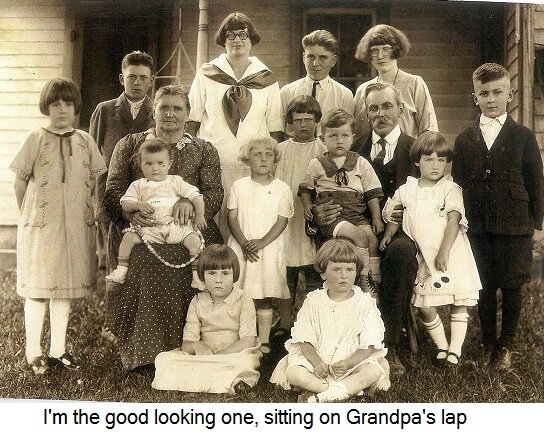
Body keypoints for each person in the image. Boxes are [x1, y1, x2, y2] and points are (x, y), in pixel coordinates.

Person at [104, 84, 223, 370]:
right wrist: (131, 213)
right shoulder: (129, 145)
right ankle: (143, 351)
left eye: (177, 108)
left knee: (198, 252)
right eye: (163, 107)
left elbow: (214, 192)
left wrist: (188, 202)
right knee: (141, 259)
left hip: (187, 228)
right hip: (144, 227)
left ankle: (195, 343)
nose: (170, 114)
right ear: (153, 111)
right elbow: (112, 191)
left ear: (188, 113)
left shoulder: (204, 150)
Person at [319, 82, 419, 376]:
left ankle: (390, 342)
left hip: (403, 228)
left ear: (400, 109)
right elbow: (322, 190)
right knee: (341, 251)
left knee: (401, 252)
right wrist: (318, 215)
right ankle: (343, 338)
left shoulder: (416, 149)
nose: (380, 114)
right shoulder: (350, 147)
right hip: (356, 226)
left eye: (387, 106)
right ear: (365, 112)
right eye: (373, 108)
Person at [9, 78, 106, 374]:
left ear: (76, 106)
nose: (62, 109)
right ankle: (33, 352)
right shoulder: (36, 138)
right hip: (42, 228)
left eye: (67, 103)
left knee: (63, 288)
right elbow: (19, 183)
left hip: (75, 228)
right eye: (55, 104)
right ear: (46, 107)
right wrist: (32, 216)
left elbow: (94, 180)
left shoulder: (84, 140)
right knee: (39, 287)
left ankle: (58, 350)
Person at [452, 63, 544, 370]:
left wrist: (538, 225)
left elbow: (536, 181)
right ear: (474, 97)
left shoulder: (523, 137)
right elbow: (458, 184)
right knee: (485, 285)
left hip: (515, 224)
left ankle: (506, 346)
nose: (491, 99)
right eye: (484, 93)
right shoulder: (465, 139)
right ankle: (489, 343)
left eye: (497, 92)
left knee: (513, 285)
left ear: (510, 94)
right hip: (478, 226)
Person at [381, 132, 481, 367]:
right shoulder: (407, 189)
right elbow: (394, 213)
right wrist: (388, 234)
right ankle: (441, 346)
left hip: (451, 251)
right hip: (424, 255)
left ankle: (455, 351)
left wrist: (444, 251)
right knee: (425, 304)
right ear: (417, 162)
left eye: (441, 160)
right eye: (429, 160)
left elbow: (454, 220)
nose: (436, 165)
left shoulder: (449, 188)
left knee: (458, 300)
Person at [186, 12, 283, 240]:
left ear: (252, 40)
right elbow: (192, 120)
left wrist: (272, 170)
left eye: (243, 34)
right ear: (223, 40)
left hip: (252, 169)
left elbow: (276, 128)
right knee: (213, 228)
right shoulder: (207, 74)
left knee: (248, 228)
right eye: (231, 35)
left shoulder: (267, 79)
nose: (237, 40)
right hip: (213, 167)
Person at [270, 239, 390, 403]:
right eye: (336, 269)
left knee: (372, 372)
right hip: (318, 361)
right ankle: (339, 390)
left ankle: (324, 394)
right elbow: (304, 341)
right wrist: (317, 363)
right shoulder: (313, 301)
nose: (344, 275)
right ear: (323, 273)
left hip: (352, 361)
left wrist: (348, 363)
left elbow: (368, 346)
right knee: (294, 373)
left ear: (356, 272)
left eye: (349, 269)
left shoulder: (364, 303)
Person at [152, 244, 262, 395]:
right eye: (211, 273)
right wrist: (197, 346)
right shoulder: (197, 301)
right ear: (202, 276)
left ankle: (204, 380)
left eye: (225, 273)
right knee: (164, 359)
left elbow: (248, 341)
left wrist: (218, 357)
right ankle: (225, 382)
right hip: (204, 357)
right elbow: (187, 345)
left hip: (234, 355)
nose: (218, 280)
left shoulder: (243, 299)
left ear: (235, 275)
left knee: (245, 362)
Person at [299, 109, 384, 291]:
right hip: (333, 216)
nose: (339, 140)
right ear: (323, 139)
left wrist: (376, 218)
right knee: (360, 237)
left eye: (344, 135)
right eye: (333, 136)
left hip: (356, 213)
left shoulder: (360, 162)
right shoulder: (317, 163)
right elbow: (306, 188)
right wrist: (307, 205)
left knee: (372, 239)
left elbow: (372, 192)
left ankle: (374, 278)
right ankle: (363, 278)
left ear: (352, 138)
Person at [105, 138, 206, 287]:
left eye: (160, 163)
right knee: (128, 238)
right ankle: (121, 270)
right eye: (149, 164)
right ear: (141, 165)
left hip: (175, 226)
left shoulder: (175, 181)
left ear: (169, 164)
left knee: (194, 241)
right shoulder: (138, 185)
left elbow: (196, 197)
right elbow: (125, 204)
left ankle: (197, 276)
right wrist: (138, 205)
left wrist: (200, 215)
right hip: (150, 228)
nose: (155, 168)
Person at [227, 136, 294, 354]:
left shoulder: (282, 188)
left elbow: (282, 221)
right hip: (242, 248)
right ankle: (242, 338)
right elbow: (232, 217)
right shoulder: (239, 186)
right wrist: (244, 243)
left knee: (264, 294)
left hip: (268, 249)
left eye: (268, 155)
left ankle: (264, 340)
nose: (263, 159)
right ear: (247, 159)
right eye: (257, 154)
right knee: (241, 294)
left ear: (275, 159)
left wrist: (261, 243)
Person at [89, 51, 155, 269]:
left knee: (140, 258)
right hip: (110, 196)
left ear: (151, 81)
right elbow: (91, 157)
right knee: (111, 261)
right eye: (131, 77)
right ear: (121, 78)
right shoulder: (105, 110)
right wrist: (94, 200)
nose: (137, 83)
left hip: (144, 196)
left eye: (143, 78)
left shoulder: (157, 112)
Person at [275, 95, 326, 338]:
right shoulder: (280, 150)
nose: (303, 125)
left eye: (308, 119)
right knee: (286, 271)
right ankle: (285, 324)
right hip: (286, 219)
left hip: (313, 218)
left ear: (317, 121)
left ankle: (309, 323)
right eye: (297, 120)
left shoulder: (323, 150)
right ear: (290, 123)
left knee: (313, 266)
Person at [353, 24, 438, 141]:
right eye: (374, 51)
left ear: (396, 50)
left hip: (408, 151)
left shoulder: (414, 83)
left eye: (386, 49)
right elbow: (357, 134)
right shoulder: (363, 90)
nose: (380, 56)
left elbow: (429, 130)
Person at [280, 29, 354, 138]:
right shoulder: (287, 92)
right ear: (303, 58)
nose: (315, 64)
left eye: (323, 58)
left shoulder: (343, 94)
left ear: (333, 61)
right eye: (311, 57)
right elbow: (280, 131)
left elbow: (346, 133)